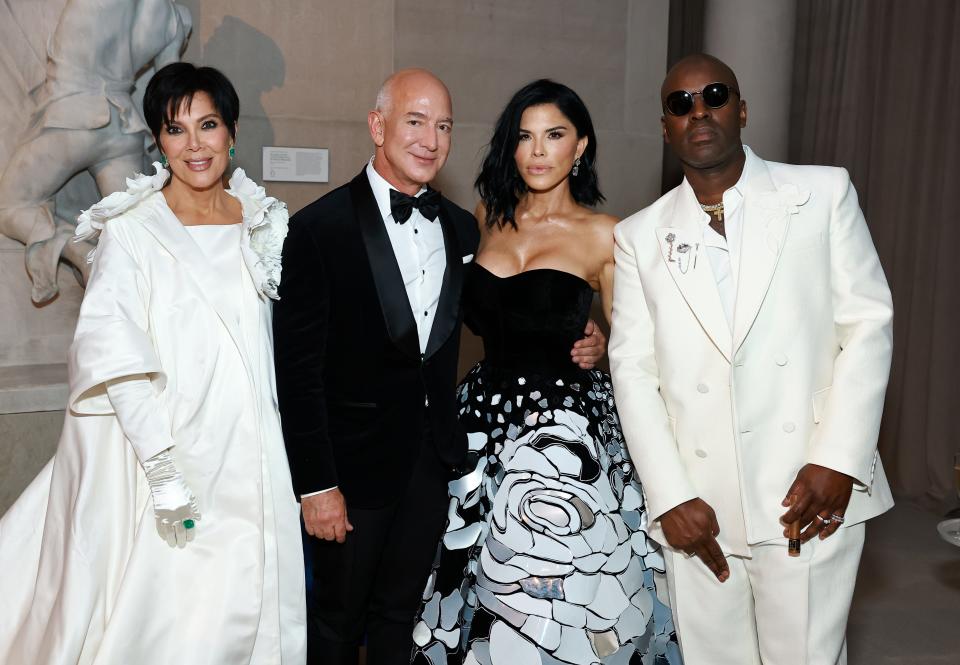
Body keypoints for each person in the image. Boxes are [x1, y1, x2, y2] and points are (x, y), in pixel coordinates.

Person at [272, 69, 604, 665]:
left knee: (405, 617)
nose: (430, 138)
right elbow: (296, 374)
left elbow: (503, 312)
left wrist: (586, 333)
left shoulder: (461, 226)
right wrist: (318, 486)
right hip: (351, 475)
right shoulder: (318, 229)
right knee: (336, 624)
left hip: (434, 466)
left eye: (443, 125)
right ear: (378, 126)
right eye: (415, 121)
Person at [0, 62, 306, 664]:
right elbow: (110, 350)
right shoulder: (133, 230)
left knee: (250, 601)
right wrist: (163, 472)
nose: (194, 145)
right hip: (170, 451)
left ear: (232, 132)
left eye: (208, 125)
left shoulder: (263, 222)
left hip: (253, 446)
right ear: (159, 142)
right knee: (174, 617)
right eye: (175, 129)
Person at [608, 53, 894, 665]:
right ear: (665, 128)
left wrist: (837, 459)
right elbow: (633, 372)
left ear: (741, 109)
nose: (699, 111)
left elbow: (868, 326)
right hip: (699, 506)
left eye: (714, 95)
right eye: (680, 104)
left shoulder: (820, 193)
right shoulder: (639, 236)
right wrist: (669, 494)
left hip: (807, 491)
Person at [411, 79, 680, 665]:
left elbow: (641, 345)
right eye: (525, 137)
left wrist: (601, 343)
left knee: (561, 591)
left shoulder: (605, 233)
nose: (538, 151)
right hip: (482, 417)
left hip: (567, 430)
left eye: (554, 136)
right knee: (471, 580)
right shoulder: (485, 217)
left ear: (579, 146)